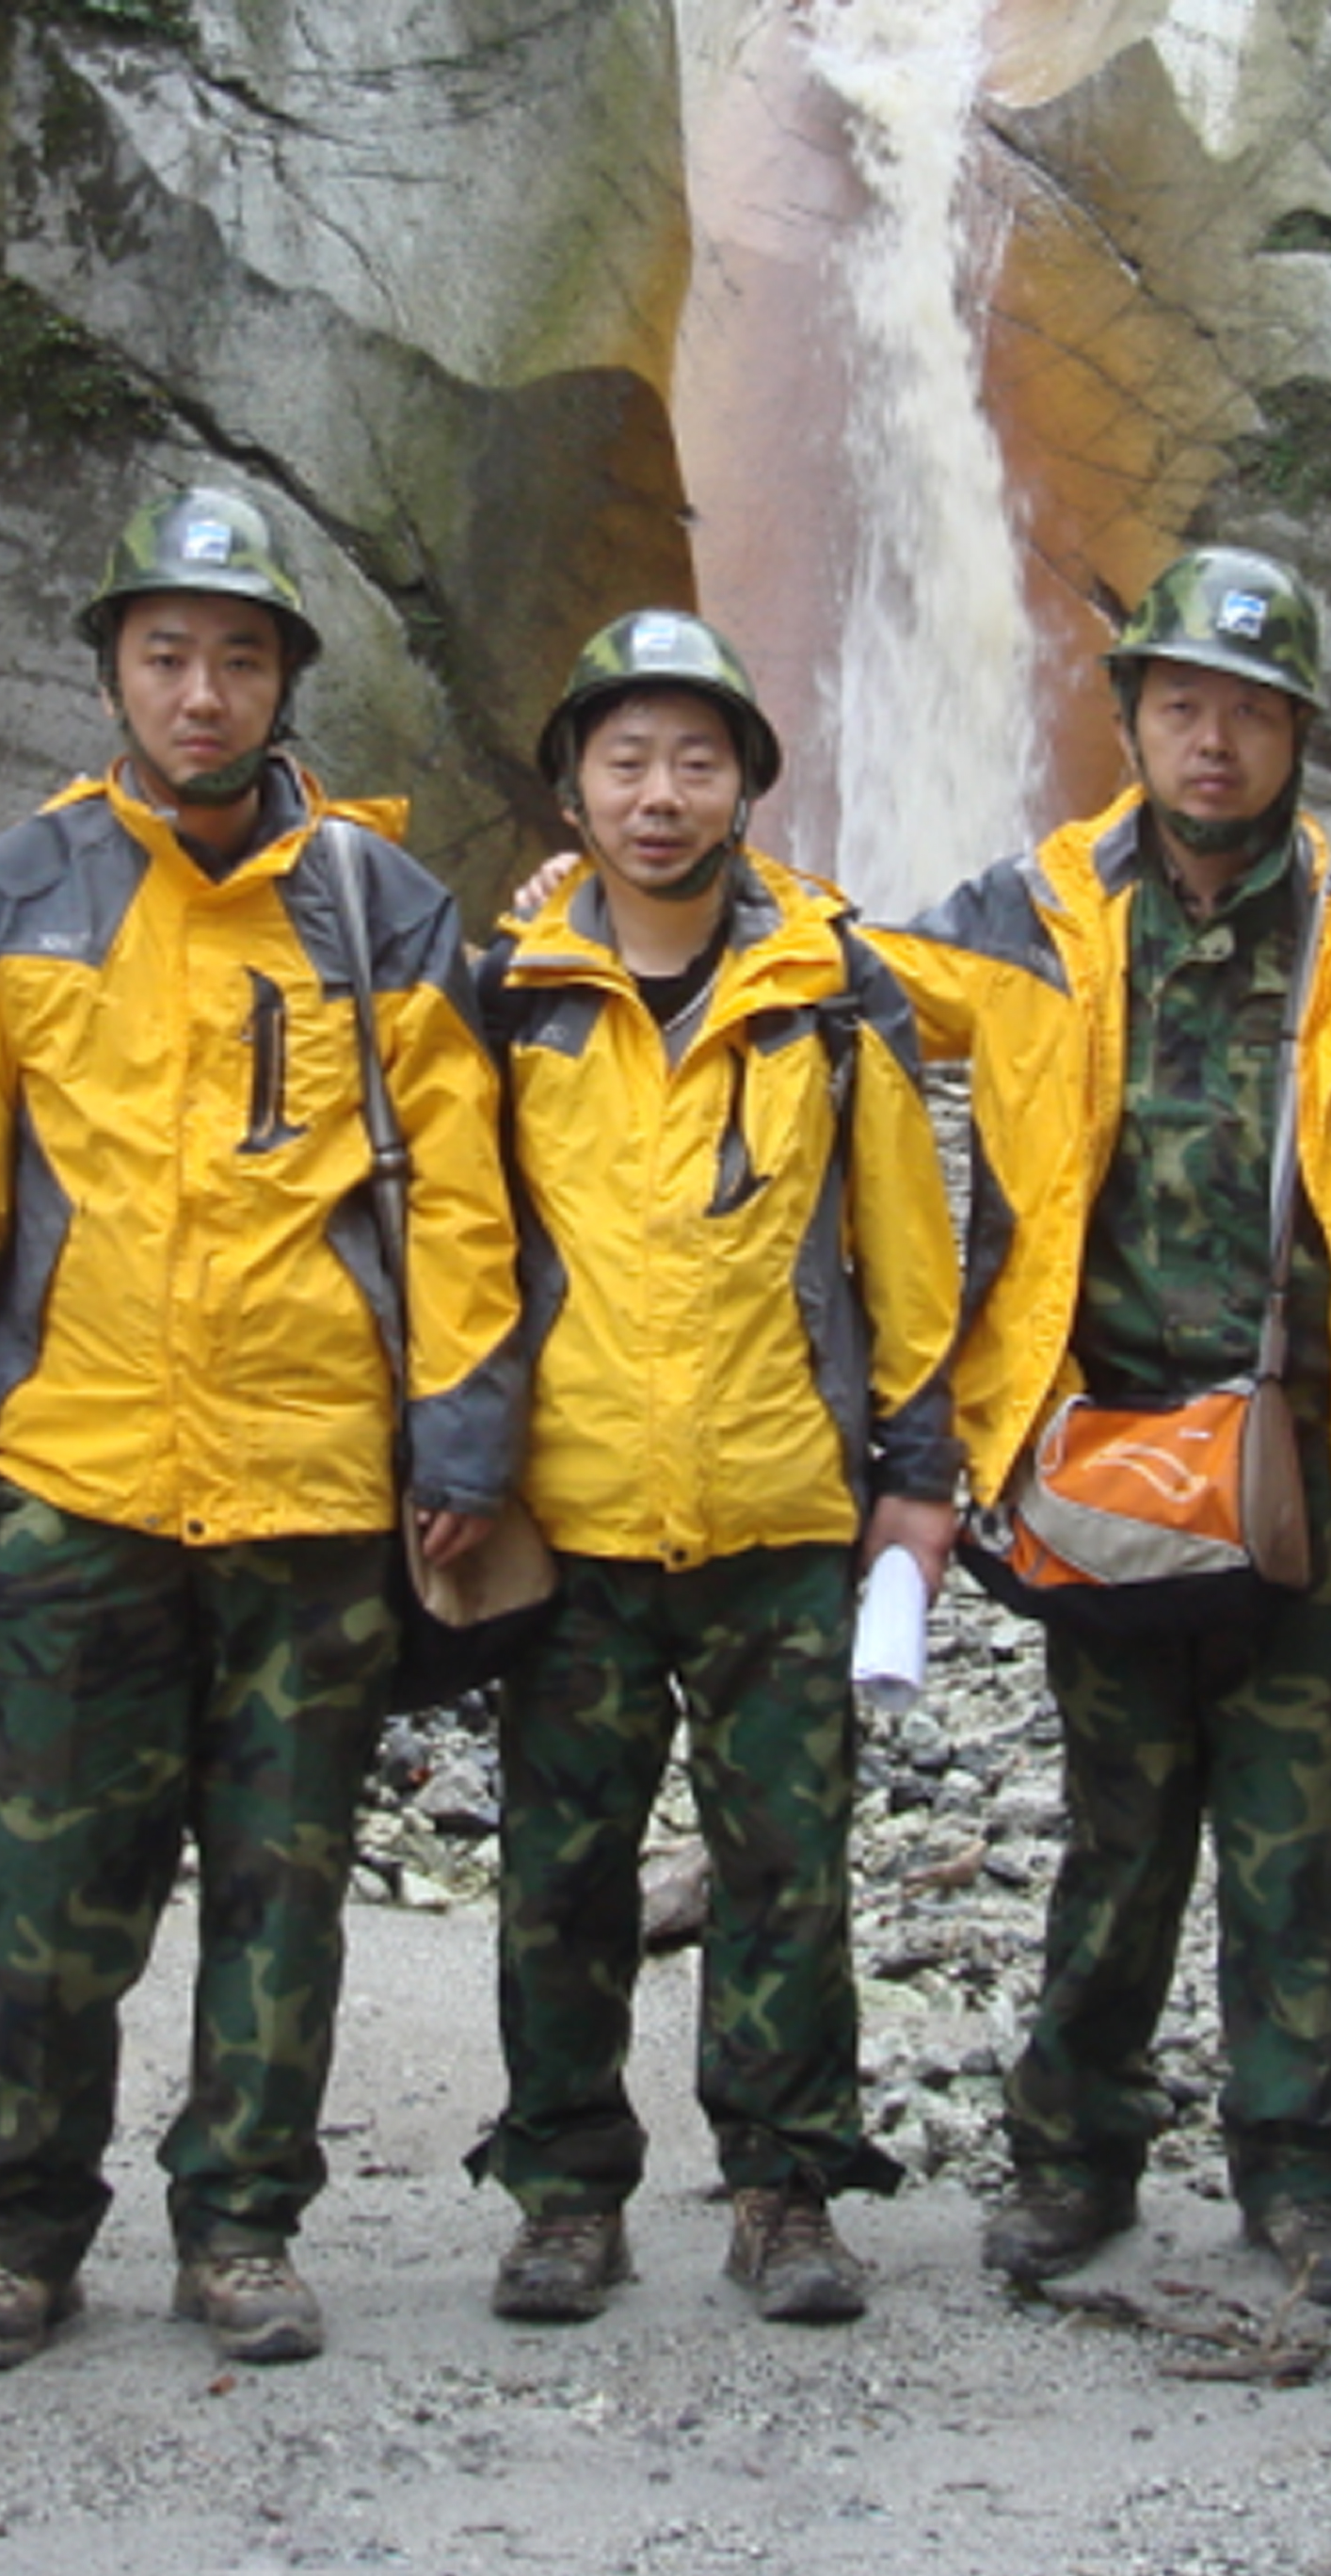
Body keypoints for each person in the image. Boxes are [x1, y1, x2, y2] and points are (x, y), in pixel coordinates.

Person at [0, 487, 521, 2370]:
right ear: (113, 674)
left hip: (313, 1488)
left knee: (283, 1887)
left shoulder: (381, 908)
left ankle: (241, 2226)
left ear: (288, 680)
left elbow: (460, 1203)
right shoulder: (14, 895)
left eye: (241, 657)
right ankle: (20, 2229)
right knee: (41, 1894)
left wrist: (461, 1443)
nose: (203, 692)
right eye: (168, 654)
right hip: (81, 1483)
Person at [876, 545, 1331, 2309]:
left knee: (1292, 1844)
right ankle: (1073, 2159)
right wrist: (602, 877)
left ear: (1297, 732)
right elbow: (837, 970)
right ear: (1134, 718)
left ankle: (1300, 2170)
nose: (1211, 741)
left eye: (1248, 710)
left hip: (1305, 1472)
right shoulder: (1036, 914)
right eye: (1181, 705)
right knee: (1119, 1834)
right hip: (1099, 1468)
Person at [463, 611, 960, 2327]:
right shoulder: (512, 992)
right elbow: (459, 1244)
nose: (659, 796)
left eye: (695, 760)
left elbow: (907, 1248)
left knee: (787, 1871)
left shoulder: (830, 992)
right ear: (573, 790)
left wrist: (919, 1477)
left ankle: (785, 2189)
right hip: (574, 1516)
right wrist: (455, 1460)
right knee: (562, 1875)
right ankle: (564, 2195)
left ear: (747, 782)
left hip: (780, 1511)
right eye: (626, 761)